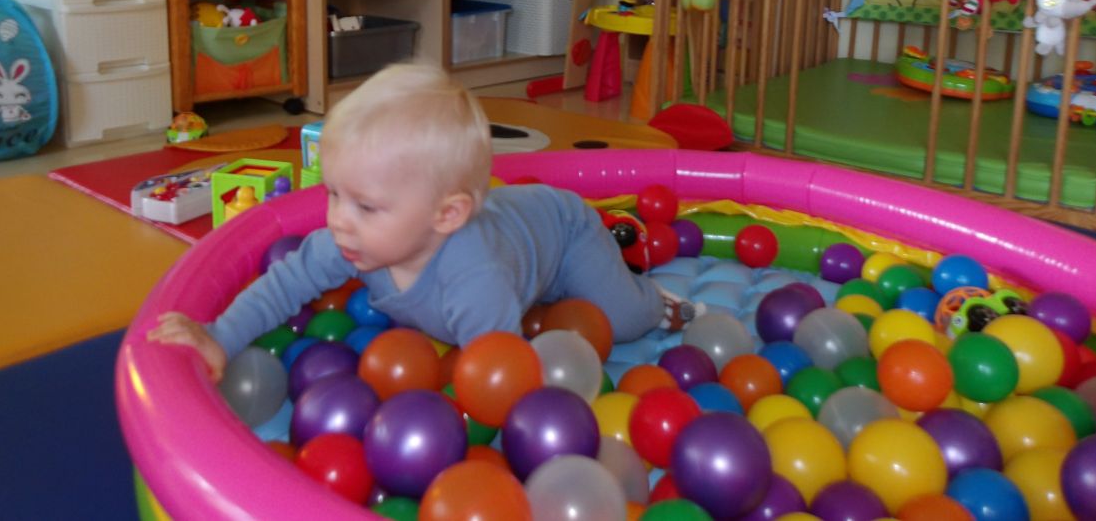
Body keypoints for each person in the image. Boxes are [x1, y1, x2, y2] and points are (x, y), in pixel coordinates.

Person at [148, 62, 702, 381]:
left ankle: (656, 300)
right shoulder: (351, 241)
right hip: (516, 243)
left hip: (565, 233)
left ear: (446, 215)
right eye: (334, 194)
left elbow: (502, 377)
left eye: (365, 206)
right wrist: (219, 337)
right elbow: (284, 283)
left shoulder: (475, 282)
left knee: (623, 319)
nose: (339, 221)